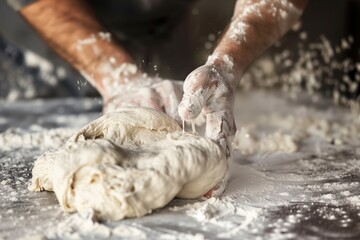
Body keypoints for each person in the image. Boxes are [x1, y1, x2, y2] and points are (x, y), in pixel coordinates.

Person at [7, 0, 308, 197]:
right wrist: (118, 77)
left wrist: (226, 63)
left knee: (171, 106)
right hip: (45, 36)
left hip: (160, 30)